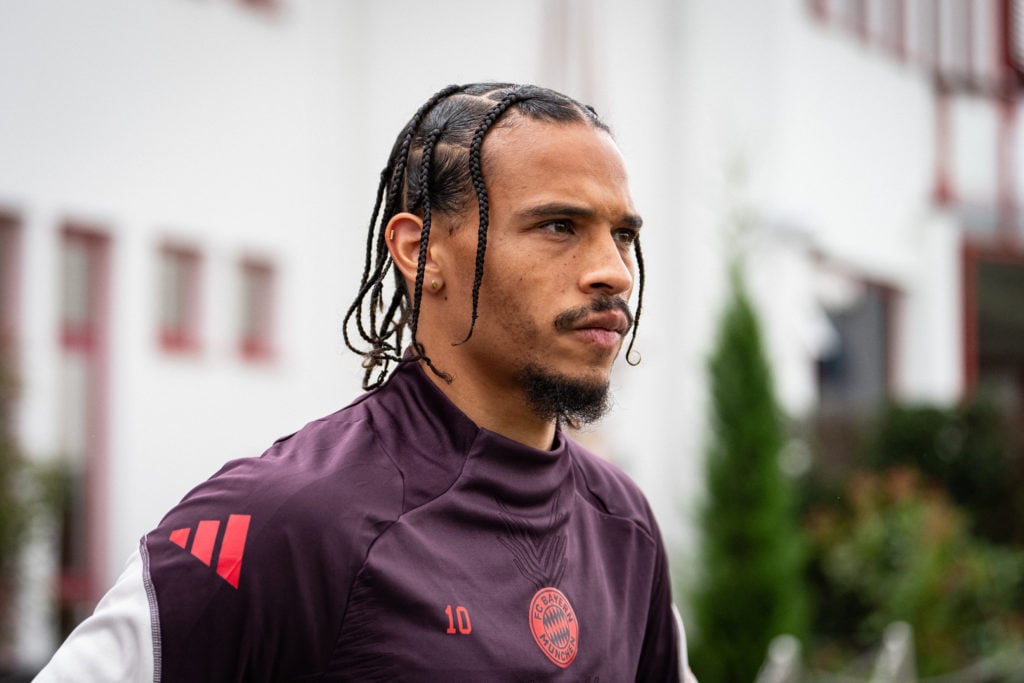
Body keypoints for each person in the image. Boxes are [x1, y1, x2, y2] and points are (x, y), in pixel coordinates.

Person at [36, 82, 695, 681]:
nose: (613, 271)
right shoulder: (287, 519)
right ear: (420, 250)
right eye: (560, 226)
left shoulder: (624, 524)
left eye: (623, 235)